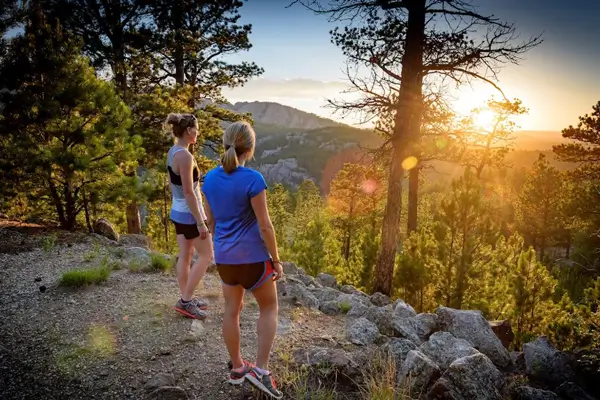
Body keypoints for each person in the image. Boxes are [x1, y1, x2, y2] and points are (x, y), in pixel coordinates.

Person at [202, 121, 284, 399]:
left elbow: (211, 222)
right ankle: (261, 370)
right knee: (269, 308)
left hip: (225, 259)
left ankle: (237, 368)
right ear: (250, 149)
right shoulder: (253, 179)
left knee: (231, 311)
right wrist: (276, 260)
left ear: (226, 145)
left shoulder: (209, 179)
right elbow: (265, 226)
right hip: (253, 258)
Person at [165, 113, 214, 320]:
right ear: (188, 131)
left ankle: (187, 297)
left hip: (178, 211)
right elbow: (189, 192)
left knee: (185, 256)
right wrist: (201, 222)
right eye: (197, 128)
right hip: (188, 214)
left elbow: (173, 185)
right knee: (207, 255)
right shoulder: (185, 157)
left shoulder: (173, 152)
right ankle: (185, 301)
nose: (198, 132)